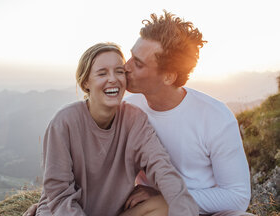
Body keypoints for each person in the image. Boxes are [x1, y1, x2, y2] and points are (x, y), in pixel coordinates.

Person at [26, 43, 198, 216]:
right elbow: (59, 195)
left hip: (111, 212)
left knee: (164, 205)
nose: (113, 79)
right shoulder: (63, 123)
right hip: (64, 213)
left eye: (119, 71)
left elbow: (162, 168)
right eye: (102, 73)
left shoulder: (134, 119)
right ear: (86, 81)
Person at [122, 11, 252, 216]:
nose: (125, 67)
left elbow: (237, 196)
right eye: (130, 56)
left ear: (168, 77)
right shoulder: (127, 109)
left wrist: (169, 197)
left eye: (138, 64)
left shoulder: (216, 117)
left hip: (204, 211)